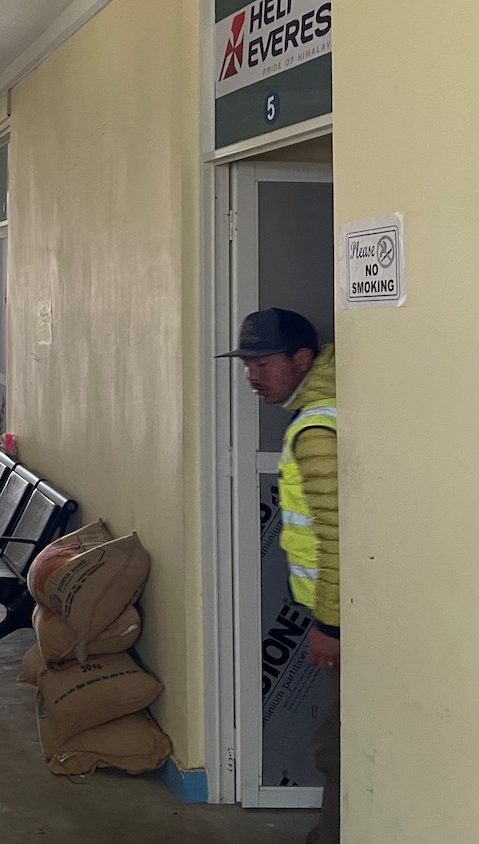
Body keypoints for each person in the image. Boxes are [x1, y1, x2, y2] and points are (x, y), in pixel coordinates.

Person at [220, 308, 339, 844]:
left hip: (345, 620)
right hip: (341, 613)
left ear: (302, 359)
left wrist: (331, 626)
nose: (251, 376)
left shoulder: (317, 428)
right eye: (246, 364)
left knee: (337, 743)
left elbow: (339, 536)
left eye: (262, 362)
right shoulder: (319, 412)